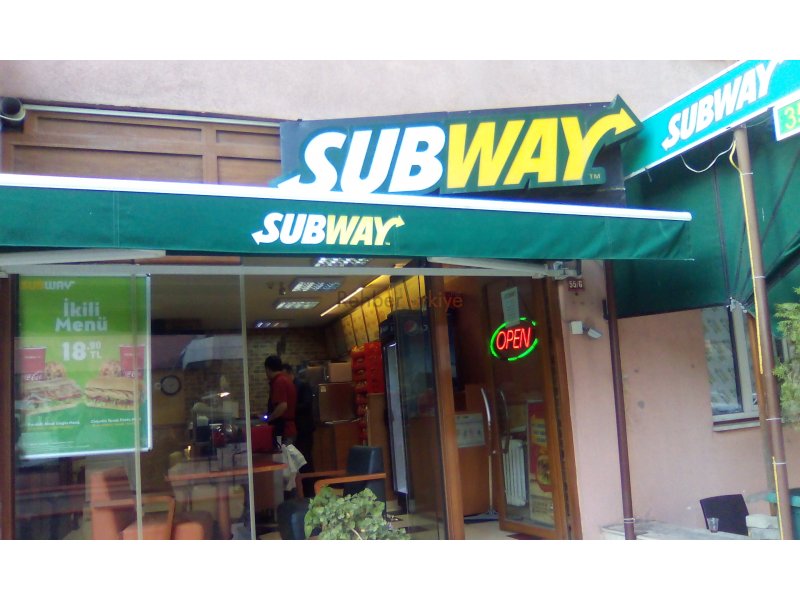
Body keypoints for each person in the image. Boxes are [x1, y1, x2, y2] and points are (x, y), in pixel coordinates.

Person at [287, 364, 316, 472]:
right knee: (300, 456)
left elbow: (307, 404)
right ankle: (305, 479)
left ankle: (309, 480)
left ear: (290, 373)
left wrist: (290, 408)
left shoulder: (302, 385)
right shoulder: (293, 386)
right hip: (298, 427)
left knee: (305, 455)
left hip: (304, 426)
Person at [264, 355, 297, 446]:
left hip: (284, 430)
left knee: (283, 454)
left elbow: (282, 406)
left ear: (268, 369)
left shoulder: (279, 382)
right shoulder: (285, 379)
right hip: (288, 428)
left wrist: (269, 419)